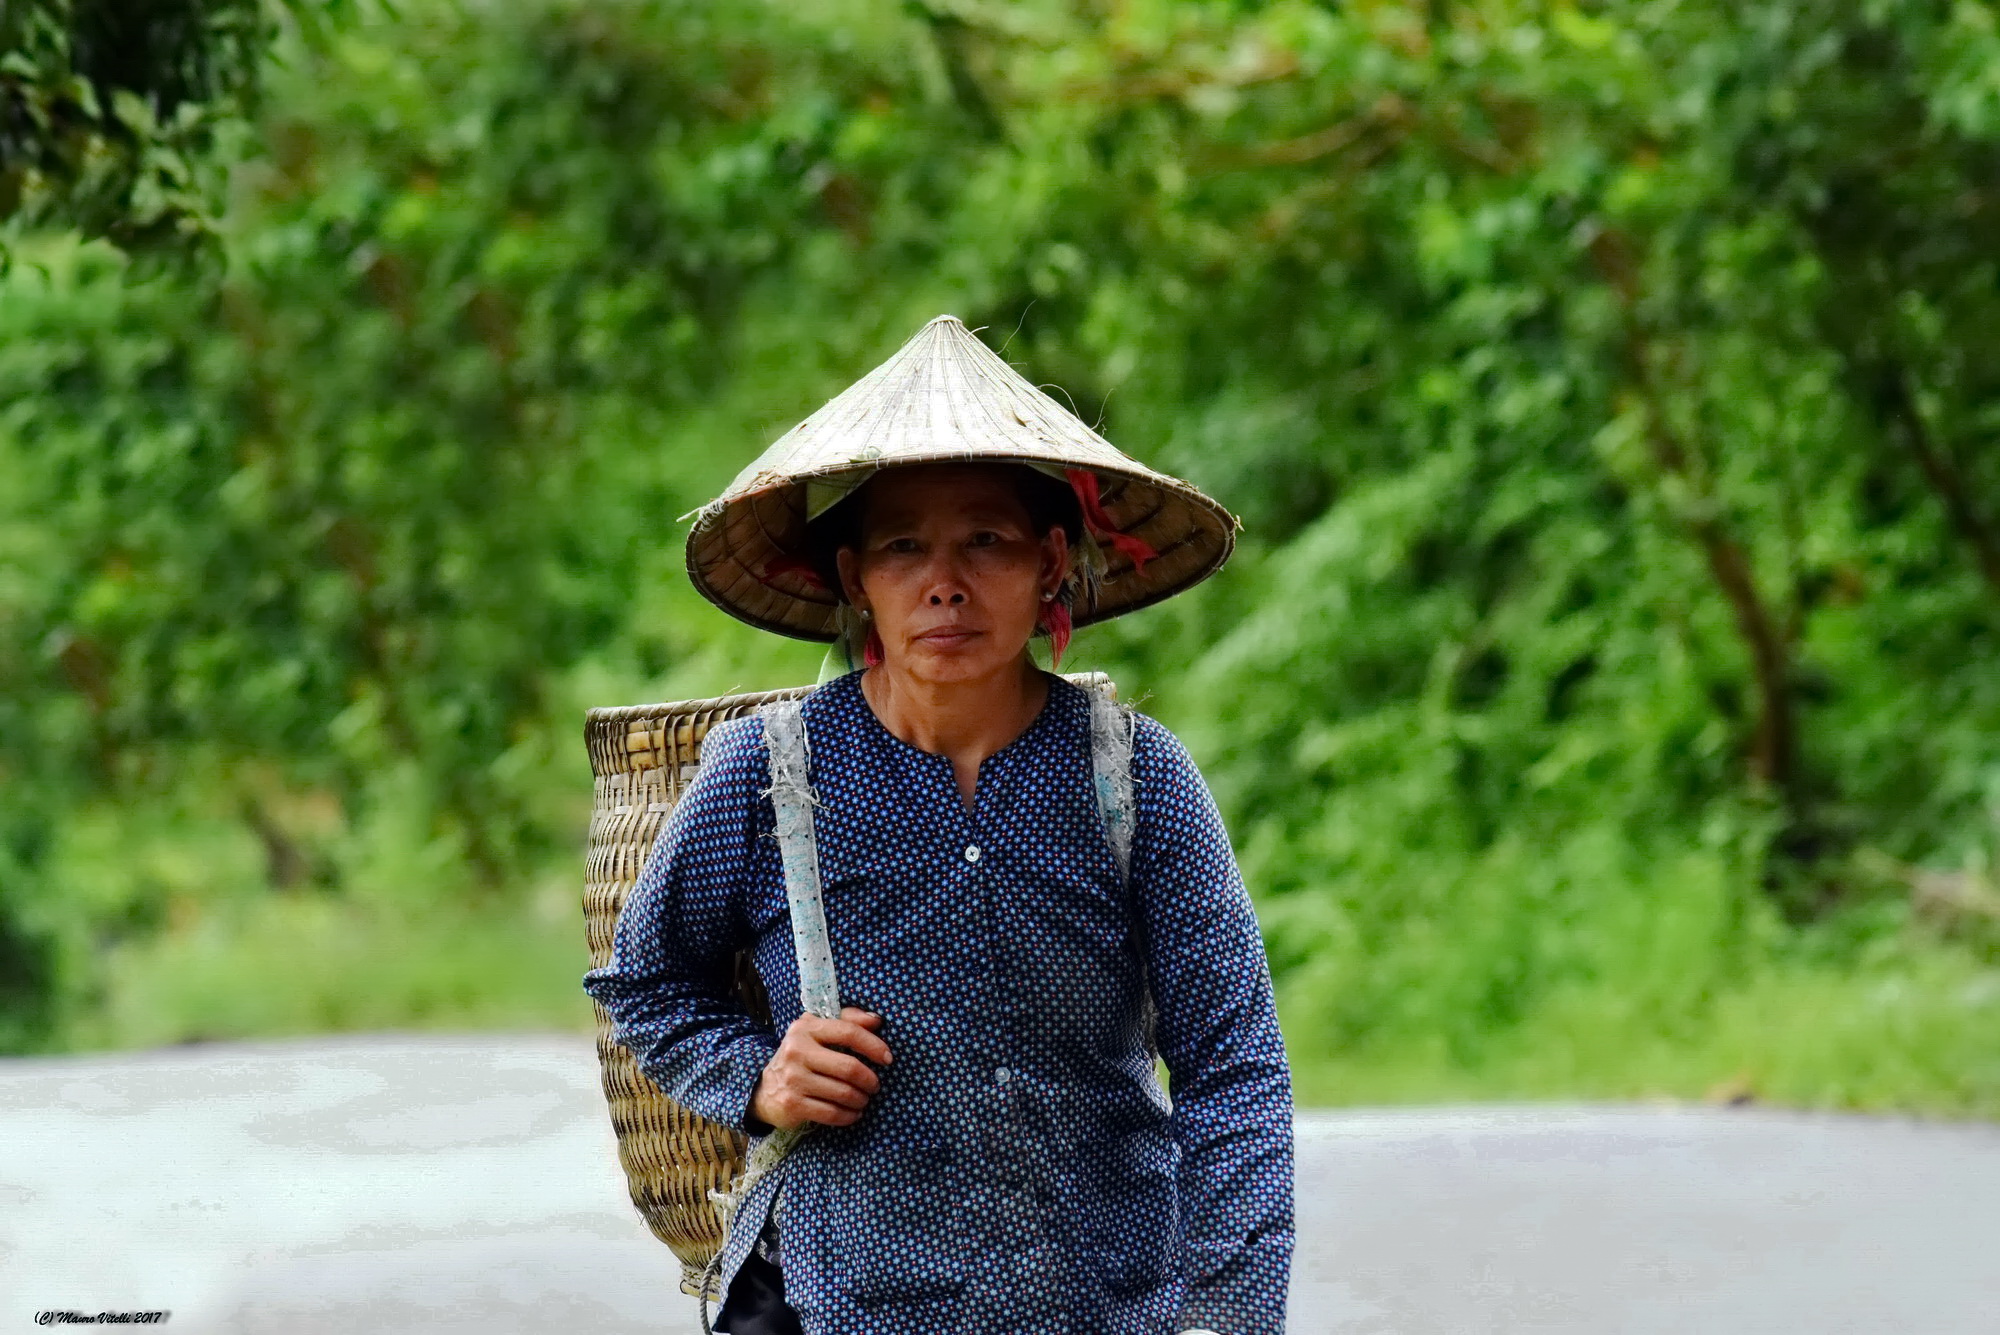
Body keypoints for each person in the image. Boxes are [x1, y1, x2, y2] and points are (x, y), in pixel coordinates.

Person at [584, 315, 1292, 1334]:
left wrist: (1232, 1315)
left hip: (1105, 1302)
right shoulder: (768, 777)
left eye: (985, 543)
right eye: (902, 547)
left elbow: (1232, 1069)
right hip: (854, 1303)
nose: (943, 582)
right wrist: (759, 1078)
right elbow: (646, 984)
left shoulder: (1133, 776)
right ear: (852, 581)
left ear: (1051, 563)